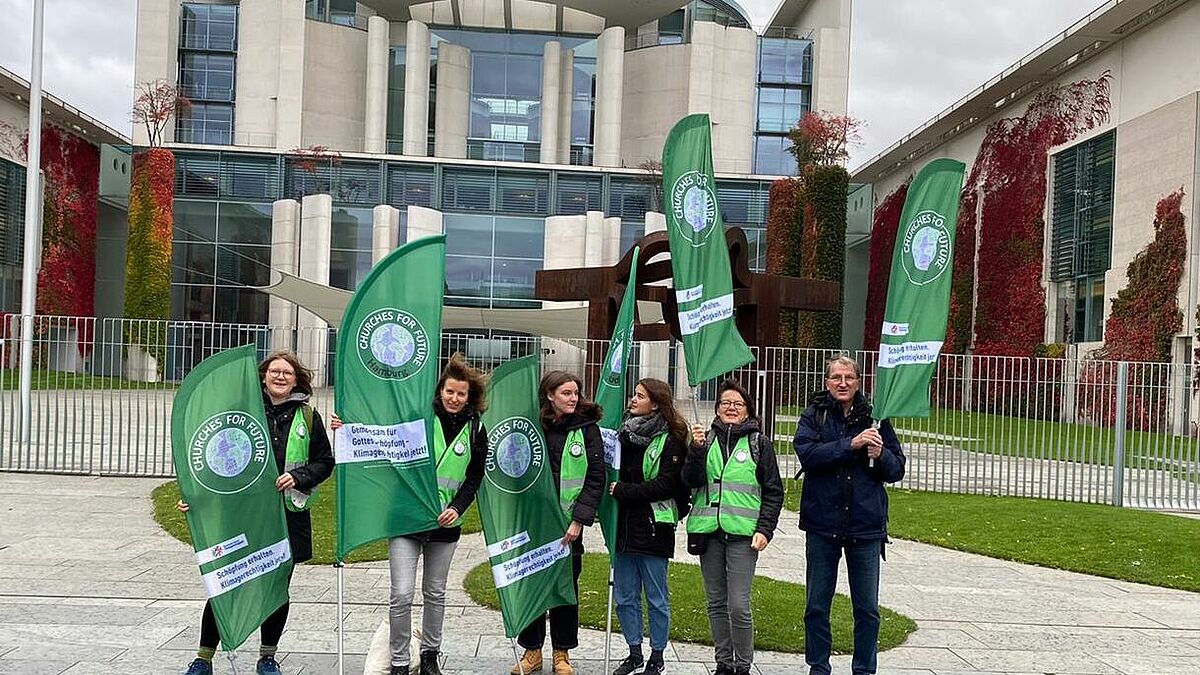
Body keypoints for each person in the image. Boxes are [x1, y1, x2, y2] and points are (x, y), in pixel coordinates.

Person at [180, 350, 335, 675]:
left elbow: (325, 461)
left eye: (287, 373)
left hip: (286, 517)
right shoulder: (241, 412)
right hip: (242, 517)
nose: (280, 377)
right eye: (274, 371)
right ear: (263, 376)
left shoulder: (307, 417)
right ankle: (203, 657)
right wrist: (195, 498)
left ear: (297, 379)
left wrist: (299, 476)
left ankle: (267, 656)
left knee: (276, 588)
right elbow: (214, 462)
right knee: (226, 583)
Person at [367, 353, 490, 675]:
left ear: (469, 397)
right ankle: (398, 661)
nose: (454, 398)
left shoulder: (477, 429)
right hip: (406, 520)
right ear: (440, 392)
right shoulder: (417, 418)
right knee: (401, 594)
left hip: (445, 525)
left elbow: (474, 477)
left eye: (461, 393)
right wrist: (347, 425)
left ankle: (430, 654)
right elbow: (381, 439)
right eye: (449, 391)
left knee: (435, 593)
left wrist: (456, 507)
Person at [793, 355, 906, 675]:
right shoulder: (815, 415)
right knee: (817, 604)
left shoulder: (876, 417)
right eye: (836, 378)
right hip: (822, 525)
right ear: (827, 382)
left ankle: (865, 669)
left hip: (865, 527)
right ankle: (818, 666)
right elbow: (808, 455)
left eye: (849, 378)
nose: (842, 383)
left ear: (859, 382)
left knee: (867, 608)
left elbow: (897, 469)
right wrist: (851, 444)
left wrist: (880, 454)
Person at [683, 379, 784, 675]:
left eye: (737, 404)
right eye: (725, 403)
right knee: (716, 602)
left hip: (743, 535)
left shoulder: (758, 444)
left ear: (747, 411)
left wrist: (765, 529)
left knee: (738, 604)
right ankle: (723, 662)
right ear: (716, 409)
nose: (730, 408)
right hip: (709, 532)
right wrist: (697, 450)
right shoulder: (705, 440)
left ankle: (743, 664)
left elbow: (773, 491)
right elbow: (690, 480)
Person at [510, 370, 606, 675]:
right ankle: (532, 651)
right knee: (533, 585)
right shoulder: (534, 426)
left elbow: (595, 477)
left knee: (566, 589)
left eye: (575, 393)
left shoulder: (588, 429)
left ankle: (562, 653)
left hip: (568, 527)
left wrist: (579, 520)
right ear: (550, 395)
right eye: (566, 393)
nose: (573, 398)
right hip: (535, 524)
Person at [608, 379, 689, 675]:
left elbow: (666, 484)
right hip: (625, 528)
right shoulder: (623, 434)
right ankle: (633, 652)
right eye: (634, 394)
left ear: (655, 403)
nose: (632, 399)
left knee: (656, 596)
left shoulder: (671, 439)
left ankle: (657, 655)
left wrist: (624, 491)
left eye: (639, 396)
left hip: (654, 528)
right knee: (625, 596)